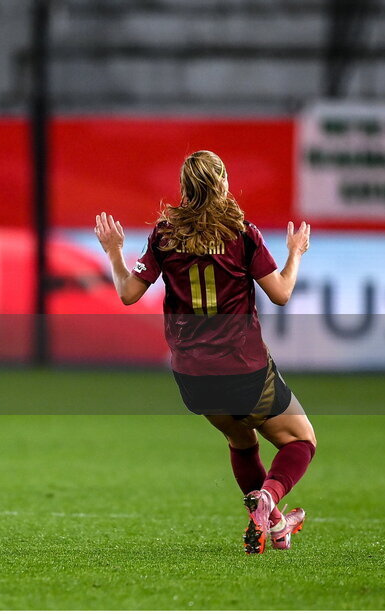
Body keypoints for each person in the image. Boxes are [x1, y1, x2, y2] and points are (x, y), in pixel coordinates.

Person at [94, 150, 316, 554]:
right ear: (223, 184)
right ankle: (268, 499)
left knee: (241, 441)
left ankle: (276, 524)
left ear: (185, 188)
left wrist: (113, 250)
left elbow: (128, 293)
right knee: (301, 441)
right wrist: (296, 252)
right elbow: (281, 293)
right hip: (243, 366)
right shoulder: (242, 233)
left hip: (192, 375)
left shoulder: (165, 235)